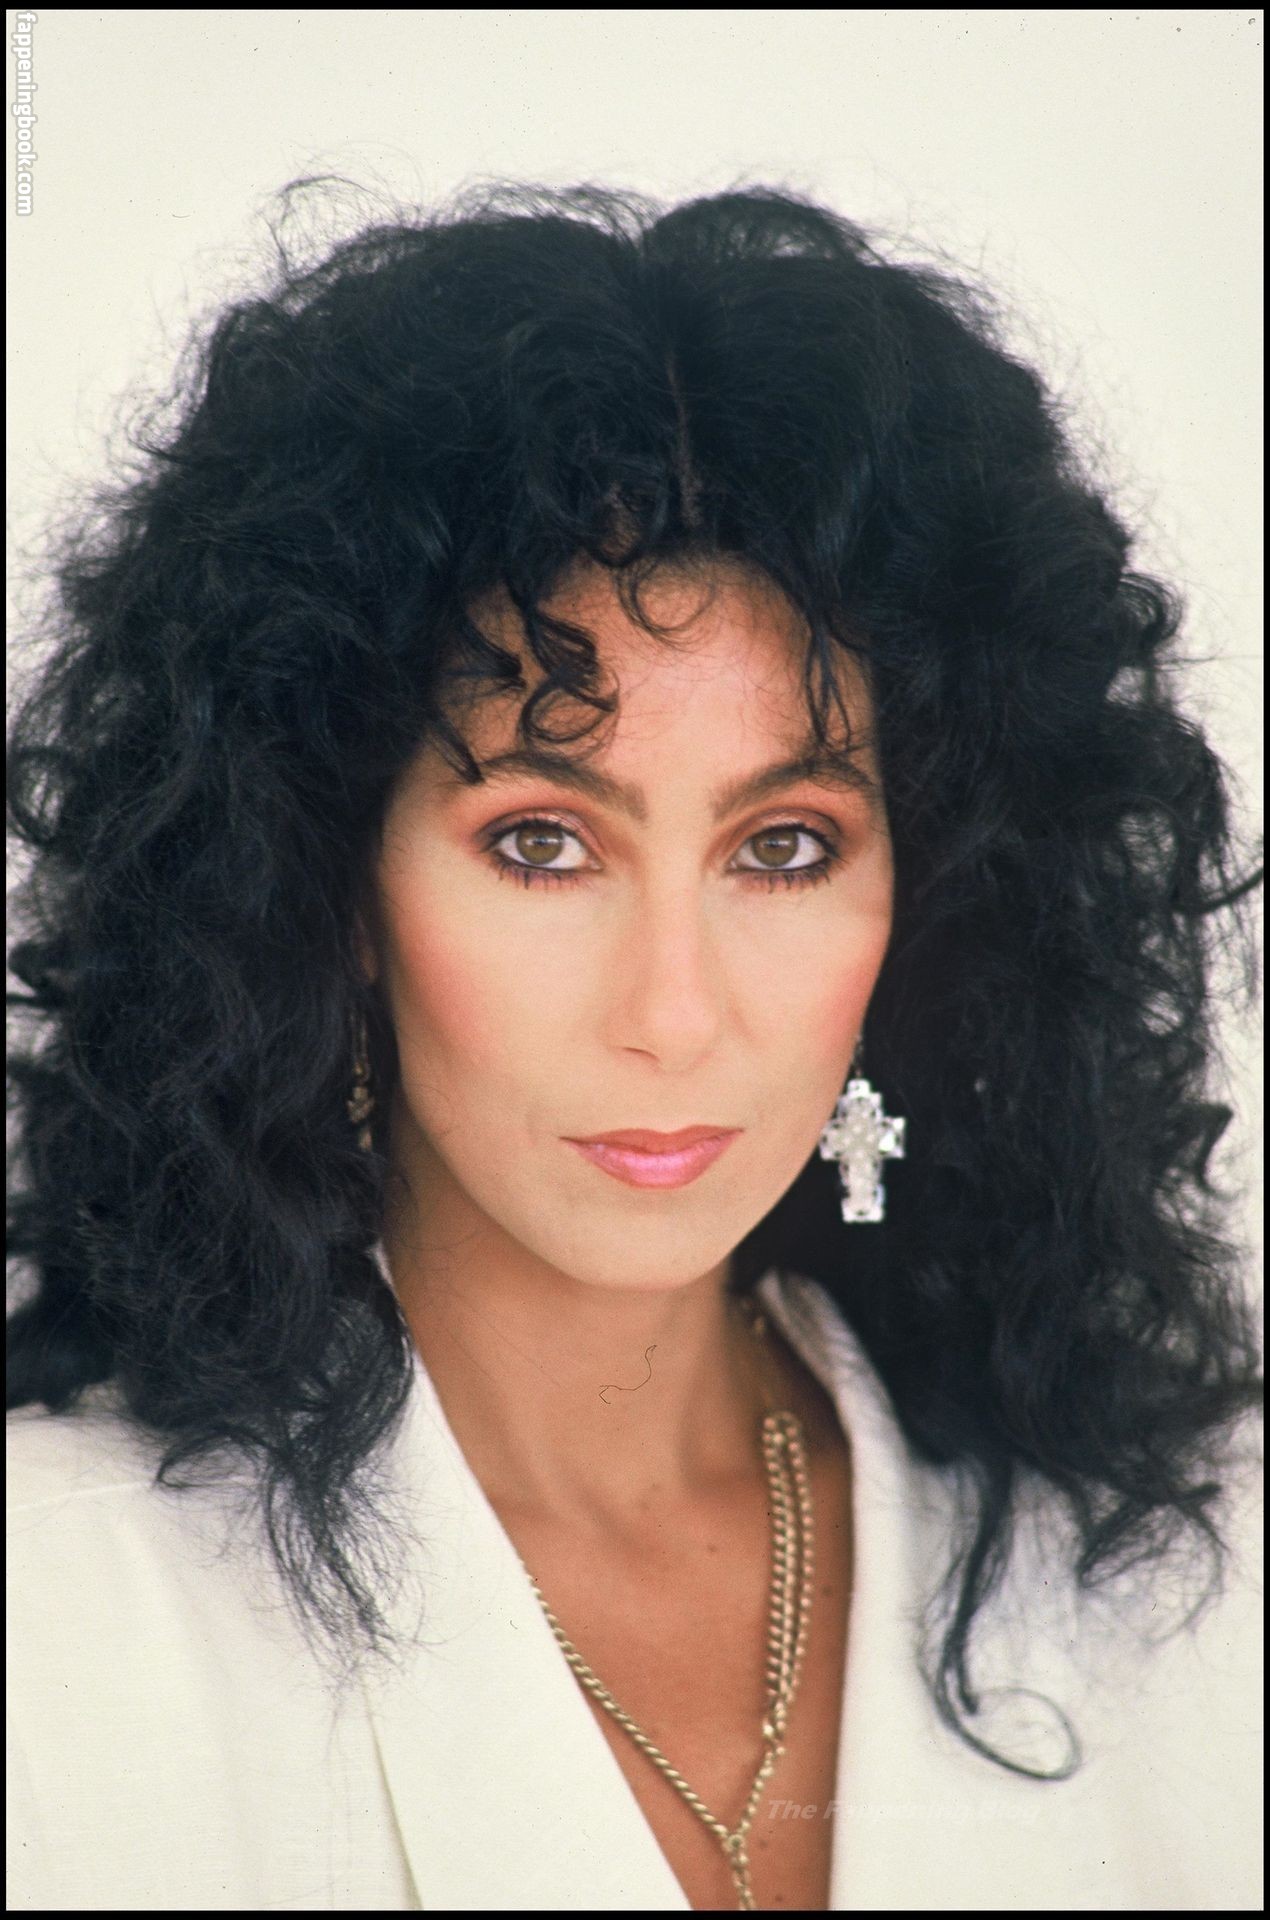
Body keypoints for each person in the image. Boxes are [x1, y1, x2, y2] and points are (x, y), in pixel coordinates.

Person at [6, 180, 1262, 1912]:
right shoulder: (61, 1629)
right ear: (331, 884)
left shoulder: (1184, 1582)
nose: (673, 1013)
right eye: (542, 843)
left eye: (784, 848)